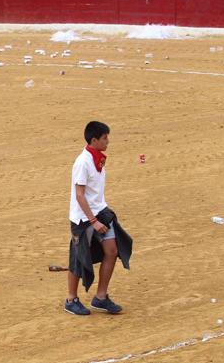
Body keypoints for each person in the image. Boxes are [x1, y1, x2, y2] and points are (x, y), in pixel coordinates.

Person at [64, 121, 133, 315]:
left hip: (100, 211)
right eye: (105, 138)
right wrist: (93, 221)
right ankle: (71, 299)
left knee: (112, 251)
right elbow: (79, 196)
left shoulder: (97, 159)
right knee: (78, 258)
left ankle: (100, 297)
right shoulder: (83, 162)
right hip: (82, 218)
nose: (108, 141)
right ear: (94, 140)